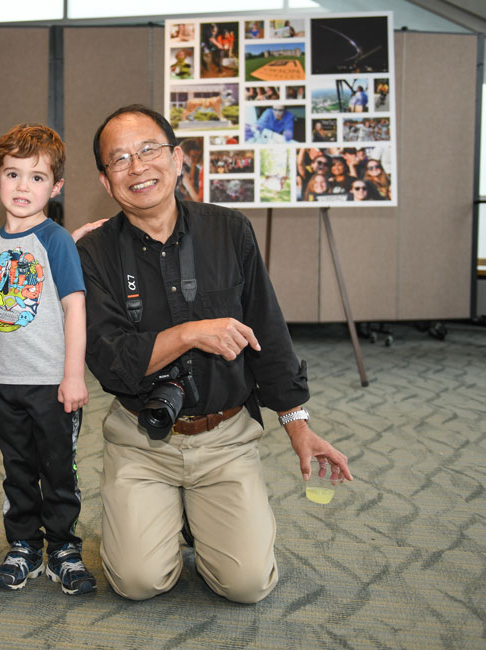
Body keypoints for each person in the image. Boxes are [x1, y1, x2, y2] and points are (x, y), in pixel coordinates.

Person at [76, 105, 352, 604]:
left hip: (225, 439)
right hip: (142, 442)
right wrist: (189, 334)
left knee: (247, 585)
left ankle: (196, 516)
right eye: (120, 159)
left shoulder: (230, 230)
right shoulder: (94, 252)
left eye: (149, 150)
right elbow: (111, 361)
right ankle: (172, 513)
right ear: (105, 179)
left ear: (177, 158)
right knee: (138, 582)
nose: (137, 167)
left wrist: (299, 425)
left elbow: (268, 331)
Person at [0, 124, 94, 595]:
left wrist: (73, 375)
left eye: (37, 177)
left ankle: (64, 547)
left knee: (58, 470)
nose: (22, 187)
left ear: (56, 186)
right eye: (13, 174)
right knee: (17, 470)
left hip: (53, 383)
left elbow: (75, 308)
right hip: (4, 382)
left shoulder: (55, 240)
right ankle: (24, 546)